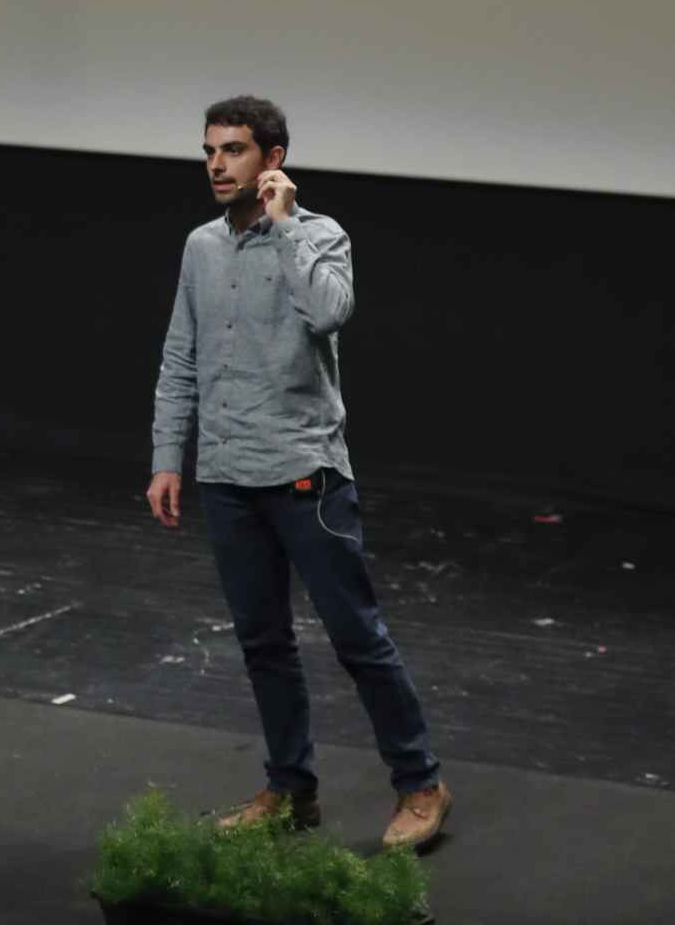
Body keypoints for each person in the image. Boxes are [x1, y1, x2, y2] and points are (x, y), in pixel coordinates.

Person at [145, 95, 451, 850]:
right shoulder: (200, 247)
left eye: (234, 150)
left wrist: (283, 230)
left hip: (304, 474)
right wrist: (166, 457)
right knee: (263, 644)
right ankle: (290, 790)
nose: (217, 164)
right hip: (225, 476)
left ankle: (420, 781)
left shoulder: (320, 236)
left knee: (357, 637)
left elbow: (328, 314)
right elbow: (180, 355)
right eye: (210, 150)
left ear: (272, 159)